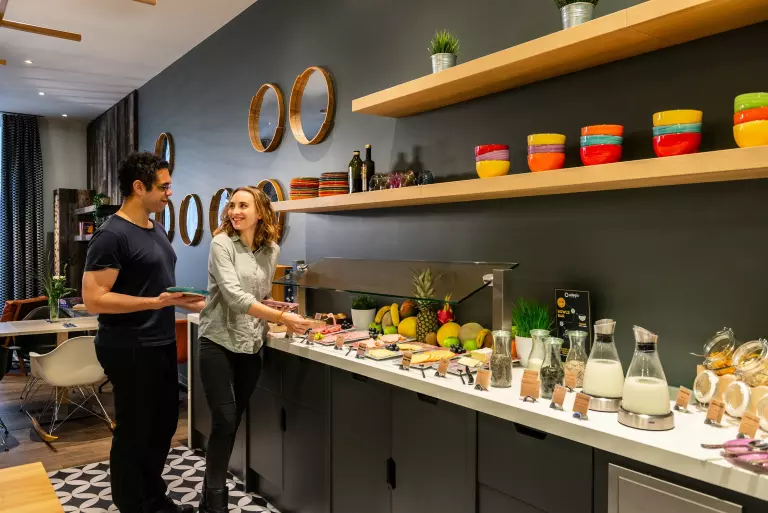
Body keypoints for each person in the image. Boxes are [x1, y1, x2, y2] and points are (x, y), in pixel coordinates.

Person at [82, 152, 203, 513]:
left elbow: (159, 288)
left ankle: (152, 497)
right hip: (129, 346)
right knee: (135, 430)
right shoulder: (111, 235)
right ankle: (134, 504)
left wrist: (191, 302)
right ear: (139, 187)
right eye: (164, 186)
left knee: (163, 424)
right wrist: (153, 303)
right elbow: (94, 298)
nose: (170, 192)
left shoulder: (157, 229)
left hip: (160, 342)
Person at [197, 186, 311, 512]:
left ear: (259, 213)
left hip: (251, 345)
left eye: (243, 205)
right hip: (218, 341)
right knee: (223, 420)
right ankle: (216, 504)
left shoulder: (271, 250)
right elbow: (234, 296)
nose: (235, 211)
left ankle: (208, 495)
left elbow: (258, 295)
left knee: (231, 423)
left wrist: (275, 307)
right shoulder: (221, 244)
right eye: (232, 205)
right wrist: (282, 317)